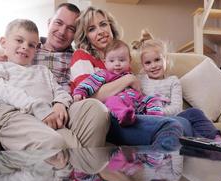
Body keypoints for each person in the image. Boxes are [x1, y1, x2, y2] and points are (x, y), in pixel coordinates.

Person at [0, 3, 110, 151]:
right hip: (19, 110)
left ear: (75, 34)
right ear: (49, 22)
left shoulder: (75, 58)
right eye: (58, 23)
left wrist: (60, 103)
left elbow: (75, 88)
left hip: (59, 110)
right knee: (55, 143)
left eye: (70, 28)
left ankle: (84, 171)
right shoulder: (18, 55)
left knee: (92, 113)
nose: (62, 31)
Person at [70, 6, 183, 151]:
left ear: (111, 27)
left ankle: (155, 120)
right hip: (111, 117)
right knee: (172, 126)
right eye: (92, 29)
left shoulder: (121, 56)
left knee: (184, 121)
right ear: (86, 36)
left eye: (103, 24)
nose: (100, 31)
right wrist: (128, 79)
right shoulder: (82, 55)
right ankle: (156, 165)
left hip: (134, 109)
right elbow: (88, 98)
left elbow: (137, 91)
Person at [134, 30, 221, 140]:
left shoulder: (173, 81)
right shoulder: (139, 80)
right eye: (148, 63)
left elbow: (176, 108)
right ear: (143, 65)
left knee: (195, 113)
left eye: (157, 60)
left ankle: (216, 139)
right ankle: (203, 144)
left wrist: (160, 112)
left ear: (165, 59)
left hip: (174, 117)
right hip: (151, 119)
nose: (153, 66)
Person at [73, 39, 163, 126]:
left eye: (121, 60)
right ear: (105, 62)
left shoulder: (131, 75)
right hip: (119, 104)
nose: (117, 64)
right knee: (112, 101)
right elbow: (90, 82)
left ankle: (154, 117)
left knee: (152, 99)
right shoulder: (103, 74)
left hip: (136, 103)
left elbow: (139, 91)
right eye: (112, 61)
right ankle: (124, 116)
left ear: (129, 61)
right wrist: (81, 91)